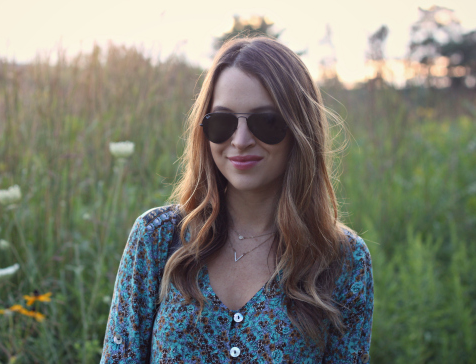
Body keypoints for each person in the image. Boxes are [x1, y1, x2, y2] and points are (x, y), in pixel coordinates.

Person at [100, 37, 373, 363]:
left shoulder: (341, 258)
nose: (240, 141)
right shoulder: (157, 239)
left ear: (300, 129)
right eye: (223, 122)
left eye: (266, 122)